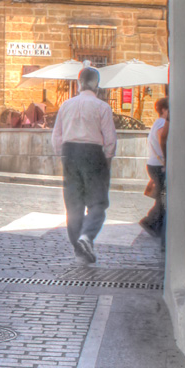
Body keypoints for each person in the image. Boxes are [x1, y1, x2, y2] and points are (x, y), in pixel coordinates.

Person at [50, 65, 117, 263]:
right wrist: (107, 159)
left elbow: (56, 136)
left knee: (73, 204)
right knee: (98, 202)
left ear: (79, 83)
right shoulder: (103, 107)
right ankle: (87, 236)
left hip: (70, 153)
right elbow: (110, 139)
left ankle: (79, 249)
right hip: (93, 154)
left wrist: (62, 155)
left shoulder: (66, 105)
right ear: (97, 84)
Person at [141, 96, 169, 234]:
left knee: (161, 195)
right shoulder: (162, 123)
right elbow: (161, 137)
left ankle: (153, 223)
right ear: (164, 110)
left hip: (154, 163)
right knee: (162, 197)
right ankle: (150, 222)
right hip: (159, 164)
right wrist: (166, 157)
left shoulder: (158, 122)